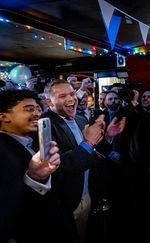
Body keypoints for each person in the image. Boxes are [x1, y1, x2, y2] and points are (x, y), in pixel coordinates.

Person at [42, 79, 125, 243]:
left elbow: (90, 154)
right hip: (68, 202)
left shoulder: (81, 120)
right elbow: (58, 169)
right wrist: (88, 143)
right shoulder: (45, 125)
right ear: (48, 101)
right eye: (62, 95)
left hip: (87, 194)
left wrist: (107, 137)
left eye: (72, 93)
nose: (71, 99)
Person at [0, 89, 64, 242]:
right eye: (29, 109)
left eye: (38, 108)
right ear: (3, 116)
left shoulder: (33, 141)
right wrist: (34, 178)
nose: (37, 113)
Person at [120, 89, 150, 242]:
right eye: (143, 97)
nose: (144, 99)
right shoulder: (135, 114)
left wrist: (136, 108)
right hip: (134, 166)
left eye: (149, 97)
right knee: (135, 201)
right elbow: (126, 132)